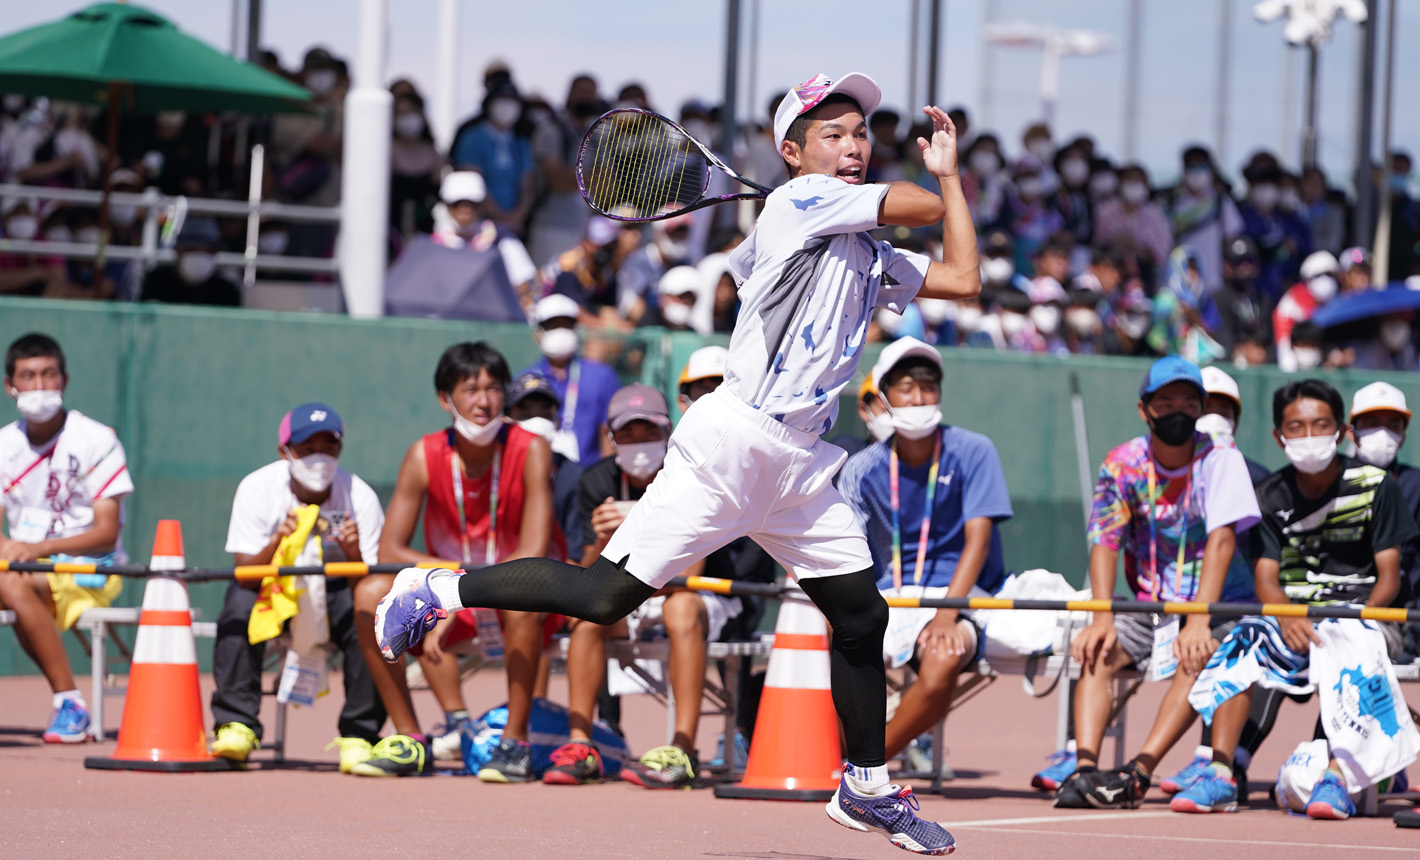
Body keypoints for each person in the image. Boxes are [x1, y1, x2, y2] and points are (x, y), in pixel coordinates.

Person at [374, 72, 982, 855]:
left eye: (860, 132)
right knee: (602, 597)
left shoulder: (863, 246)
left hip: (800, 463)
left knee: (862, 616)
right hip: (734, 445)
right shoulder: (799, 201)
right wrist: (934, 183)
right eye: (832, 133)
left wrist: (954, 175)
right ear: (791, 155)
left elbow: (962, 279)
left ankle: (863, 784)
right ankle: (435, 585)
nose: (854, 145)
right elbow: (921, 207)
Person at [1172, 379, 1418, 818]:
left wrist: (1359, 618)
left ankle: (1337, 779)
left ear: (1341, 431)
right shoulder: (1269, 495)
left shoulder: (1379, 486)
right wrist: (1285, 617)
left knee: (1348, 643)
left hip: (1364, 616)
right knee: (1243, 638)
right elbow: (1266, 578)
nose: (1309, 437)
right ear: (1278, 436)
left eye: (1320, 425)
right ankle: (1222, 772)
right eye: (1297, 426)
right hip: (1293, 616)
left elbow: (1389, 577)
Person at [1053, 357, 1261, 810]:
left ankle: (1138, 772)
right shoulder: (1122, 463)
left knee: (1200, 652)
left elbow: (1223, 541)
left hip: (1219, 606)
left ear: (1203, 409)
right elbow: (1105, 540)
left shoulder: (1222, 459)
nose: (1178, 412)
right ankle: (1085, 772)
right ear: (1144, 409)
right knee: (1097, 646)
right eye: (1165, 403)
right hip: (1151, 606)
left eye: (1189, 402)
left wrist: (1199, 621)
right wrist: (1101, 615)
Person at [352, 342, 564, 779]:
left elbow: (533, 553)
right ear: (444, 397)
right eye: (470, 389)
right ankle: (415, 738)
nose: (484, 401)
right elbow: (390, 551)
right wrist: (448, 595)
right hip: (457, 595)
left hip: (520, 598)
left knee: (522, 597)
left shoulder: (532, 448)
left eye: (493, 388)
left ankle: (514, 743)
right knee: (369, 593)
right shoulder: (423, 454)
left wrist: (453, 593)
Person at [542, 383, 743, 789]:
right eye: (627, 434)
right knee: (586, 614)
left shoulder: (693, 473)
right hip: (625, 592)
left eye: (648, 433)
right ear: (610, 437)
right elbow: (587, 574)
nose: (638, 444)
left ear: (668, 431)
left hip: (696, 592)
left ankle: (682, 750)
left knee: (681, 606)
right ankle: (582, 746)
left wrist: (641, 519)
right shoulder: (596, 480)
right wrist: (603, 541)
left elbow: (691, 571)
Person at [840, 338, 1013, 762]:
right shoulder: (860, 469)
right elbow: (846, 551)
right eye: (905, 388)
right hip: (885, 597)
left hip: (958, 598)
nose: (918, 398)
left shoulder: (975, 450)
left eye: (928, 388)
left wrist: (948, 614)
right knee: (830, 640)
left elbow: (979, 541)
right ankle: (843, 760)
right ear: (883, 398)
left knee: (942, 657)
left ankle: (860, 769)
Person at [210, 404, 386, 772]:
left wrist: (353, 552)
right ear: (285, 451)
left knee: (374, 613)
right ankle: (237, 724)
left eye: (329, 446)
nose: (319, 457)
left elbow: (368, 584)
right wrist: (277, 539)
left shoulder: (361, 496)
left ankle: (359, 735)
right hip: (275, 588)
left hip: (335, 590)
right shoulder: (257, 488)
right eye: (308, 448)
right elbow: (246, 573)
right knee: (239, 605)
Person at [0, 333, 132, 743]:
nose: (38, 386)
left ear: (64, 380)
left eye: (48, 375)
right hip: (21, 567)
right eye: (28, 376)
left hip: (88, 569)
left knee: (10, 580)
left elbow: (106, 534)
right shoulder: (4, 444)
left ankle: (70, 703)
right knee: (10, 578)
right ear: (10, 386)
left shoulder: (96, 439)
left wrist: (35, 549)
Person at [520, 294, 619, 466]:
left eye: (567, 325)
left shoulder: (602, 376)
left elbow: (609, 433)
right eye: (553, 325)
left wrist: (602, 481)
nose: (561, 331)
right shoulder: (524, 380)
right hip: (533, 472)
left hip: (587, 479)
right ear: (538, 332)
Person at [505, 371, 583, 557]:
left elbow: (575, 558)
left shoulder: (574, 476)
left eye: (545, 412)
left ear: (558, 421)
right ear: (505, 419)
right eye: (525, 412)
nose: (537, 419)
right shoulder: (493, 469)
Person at [451, 82, 535, 232]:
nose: (506, 106)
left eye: (511, 100)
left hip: (513, 226)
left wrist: (518, 216)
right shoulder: (473, 139)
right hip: (480, 225)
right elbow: (473, 183)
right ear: (488, 104)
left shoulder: (520, 142)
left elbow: (527, 186)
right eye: (501, 99)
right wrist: (502, 217)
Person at [1162, 146, 1243, 296]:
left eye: (1202, 166)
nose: (1197, 171)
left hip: (1213, 285)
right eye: (1192, 166)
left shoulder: (1221, 203)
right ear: (1184, 170)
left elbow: (1233, 239)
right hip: (1177, 286)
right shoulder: (1171, 204)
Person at [139, 218, 239, 307]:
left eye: (208, 250)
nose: (200, 255)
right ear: (177, 249)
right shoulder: (155, 283)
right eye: (192, 248)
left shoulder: (226, 291)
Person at [1197, 366, 1271, 485]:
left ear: (1236, 423)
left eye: (1224, 413)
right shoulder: (1165, 473)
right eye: (1205, 412)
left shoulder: (1256, 479)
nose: (1214, 419)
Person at [1273, 251, 1339, 373]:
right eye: (1320, 275)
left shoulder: (1332, 301)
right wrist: (1287, 359)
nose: (1326, 280)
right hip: (1294, 358)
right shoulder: (1295, 298)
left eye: (1331, 275)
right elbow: (1283, 333)